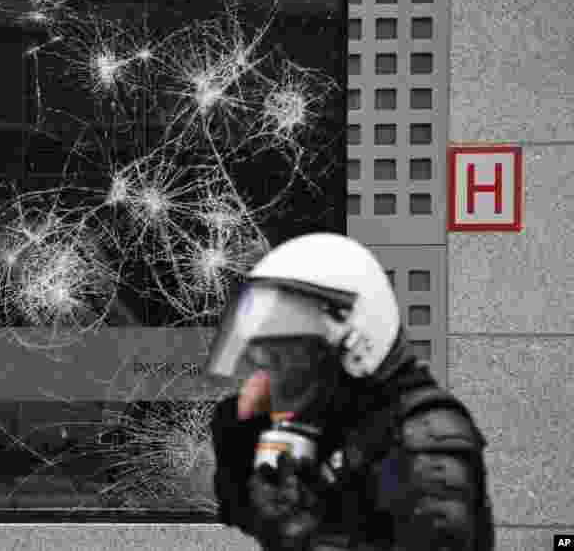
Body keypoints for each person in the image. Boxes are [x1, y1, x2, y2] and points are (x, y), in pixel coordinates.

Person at [206, 232, 494, 550]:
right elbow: (247, 514)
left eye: (289, 358)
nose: (274, 378)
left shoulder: (424, 438)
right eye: (267, 359)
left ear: (356, 345)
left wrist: (302, 535)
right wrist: (238, 443)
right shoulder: (340, 413)